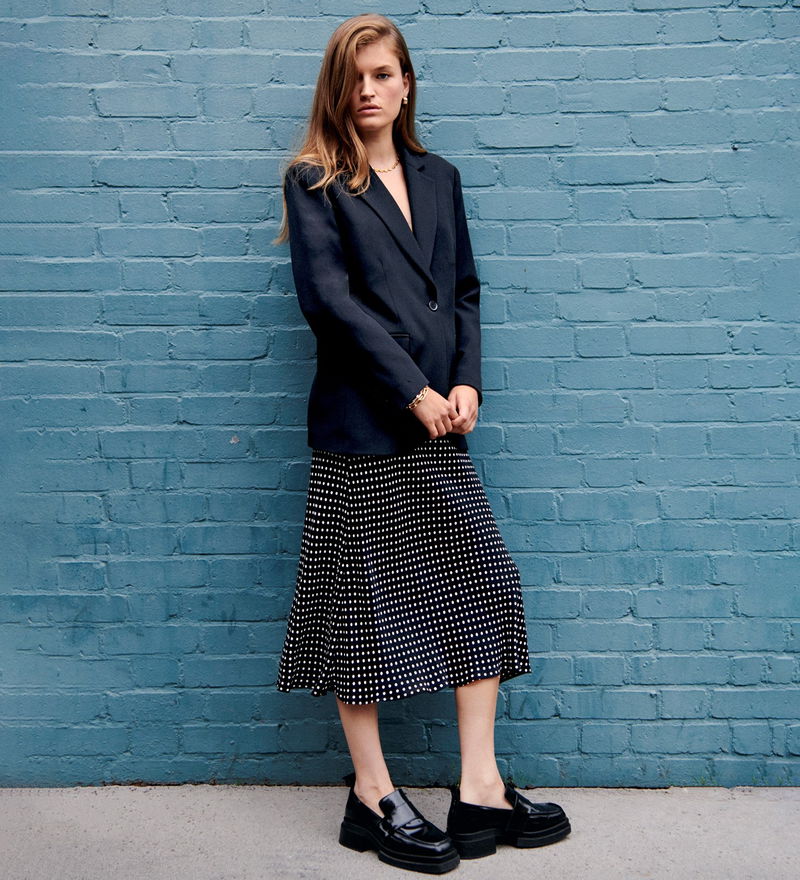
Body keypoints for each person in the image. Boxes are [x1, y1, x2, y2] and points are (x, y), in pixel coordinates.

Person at [273, 13, 571, 873]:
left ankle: (479, 789)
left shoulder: (440, 177)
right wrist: (414, 391)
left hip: (443, 423)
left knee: (484, 585)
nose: (368, 89)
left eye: (383, 74)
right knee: (360, 611)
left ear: (406, 84)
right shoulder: (315, 180)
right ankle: (372, 795)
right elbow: (330, 303)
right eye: (354, 76)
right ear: (337, 89)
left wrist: (467, 380)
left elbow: (464, 289)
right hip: (365, 429)